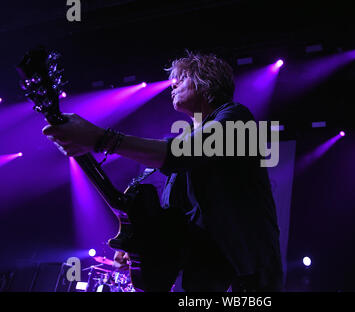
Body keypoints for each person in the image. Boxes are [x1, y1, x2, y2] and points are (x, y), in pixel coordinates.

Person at [42, 51, 283, 292]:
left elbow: (181, 154)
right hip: (207, 273)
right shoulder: (187, 137)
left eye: (182, 77)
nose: (173, 84)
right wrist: (142, 246)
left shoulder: (235, 118)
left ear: (207, 81)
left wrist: (101, 139)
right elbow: (175, 219)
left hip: (247, 271)